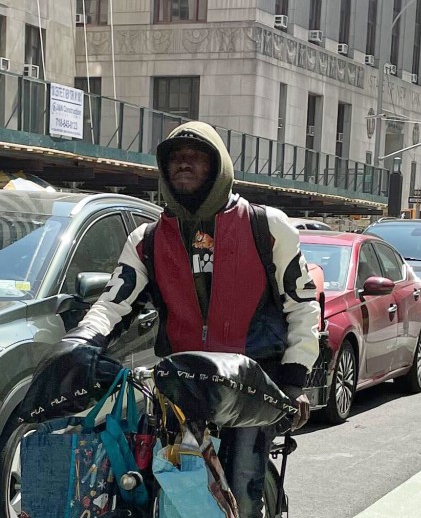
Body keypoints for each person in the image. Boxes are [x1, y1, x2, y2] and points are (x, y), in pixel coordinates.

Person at [59, 121, 320, 517]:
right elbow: (113, 303)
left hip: (251, 386)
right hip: (181, 384)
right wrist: (81, 341)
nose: (184, 163)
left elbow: (302, 305)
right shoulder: (147, 240)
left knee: (241, 490)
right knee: (165, 487)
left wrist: (294, 377)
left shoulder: (266, 226)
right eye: (176, 158)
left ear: (219, 167)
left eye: (196, 156)